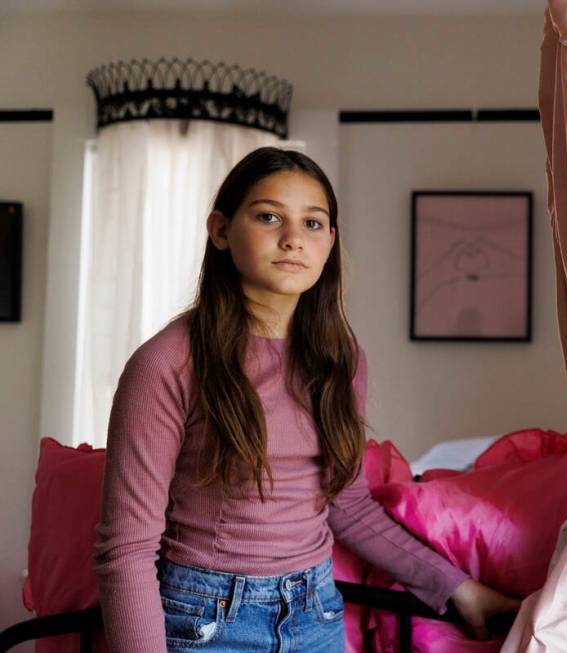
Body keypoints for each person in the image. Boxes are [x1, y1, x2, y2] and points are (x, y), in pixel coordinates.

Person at [92, 146, 520, 652]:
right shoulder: (166, 363)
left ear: (330, 242)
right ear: (221, 230)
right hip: (206, 619)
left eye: (313, 223)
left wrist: (457, 589)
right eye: (269, 216)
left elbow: (347, 506)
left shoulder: (341, 359)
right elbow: (127, 548)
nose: (294, 238)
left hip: (315, 613)